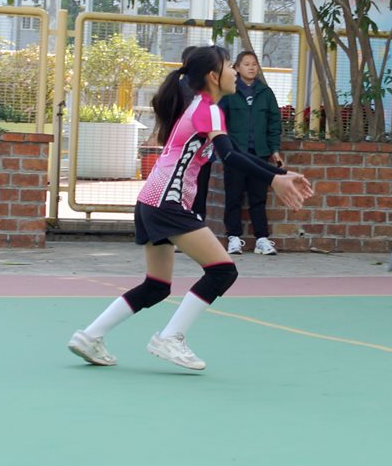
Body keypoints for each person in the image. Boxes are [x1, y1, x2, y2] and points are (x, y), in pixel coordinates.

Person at [68, 45, 314, 372]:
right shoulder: (208, 108)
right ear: (213, 76)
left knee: (157, 286)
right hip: (168, 203)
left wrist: (279, 174)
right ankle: (170, 338)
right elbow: (230, 157)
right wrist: (274, 180)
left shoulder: (202, 107)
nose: (234, 72)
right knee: (223, 271)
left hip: (151, 201)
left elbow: (236, 152)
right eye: (229, 66)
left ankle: (90, 335)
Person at [221, 49, 284, 256]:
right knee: (234, 196)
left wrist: (274, 150)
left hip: (260, 154)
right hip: (235, 155)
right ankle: (233, 238)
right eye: (246, 64)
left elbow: (274, 123)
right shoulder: (229, 92)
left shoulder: (266, 93)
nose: (251, 67)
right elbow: (220, 122)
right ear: (237, 68)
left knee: (258, 197)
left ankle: (262, 239)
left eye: (254, 64)